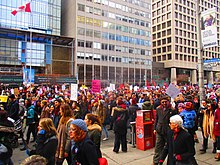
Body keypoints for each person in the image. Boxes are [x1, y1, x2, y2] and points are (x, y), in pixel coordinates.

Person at [153, 96, 177, 165]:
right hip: (159, 130)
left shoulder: (172, 110)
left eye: (165, 102)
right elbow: (156, 119)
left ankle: (170, 162)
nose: (164, 103)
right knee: (158, 147)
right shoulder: (158, 109)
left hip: (168, 131)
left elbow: (175, 120)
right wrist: (155, 128)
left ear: (168, 102)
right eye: (162, 102)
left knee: (169, 147)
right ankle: (156, 161)